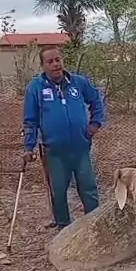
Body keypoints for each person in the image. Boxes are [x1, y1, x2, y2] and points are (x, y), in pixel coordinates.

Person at [22, 45, 105, 230]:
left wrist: (95, 124)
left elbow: (96, 100)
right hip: (54, 151)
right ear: (43, 66)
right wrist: (29, 147)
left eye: (58, 60)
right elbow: (30, 120)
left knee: (89, 188)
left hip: (81, 147)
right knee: (58, 192)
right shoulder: (35, 88)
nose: (55, 64)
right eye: (50, 62)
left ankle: (95, 225)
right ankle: (63, 227)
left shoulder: (79, 82)